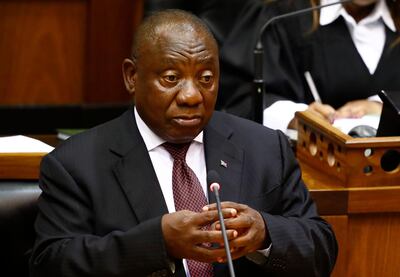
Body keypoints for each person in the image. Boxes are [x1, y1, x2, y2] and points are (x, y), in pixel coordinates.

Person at [30, 9, 337, 276]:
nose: (192, 96)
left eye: (206, 78)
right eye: (171, 78)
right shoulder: (75, 164)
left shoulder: (266, 147)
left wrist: (265, 235)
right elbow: (52, 264)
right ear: (131, 77)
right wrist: (157, 242)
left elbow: (321, 248)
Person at [217, 0, 400, 132]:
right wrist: (297, 117)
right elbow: (241, 96)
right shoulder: (281, 14)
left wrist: (381, 107)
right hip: (303, 168)